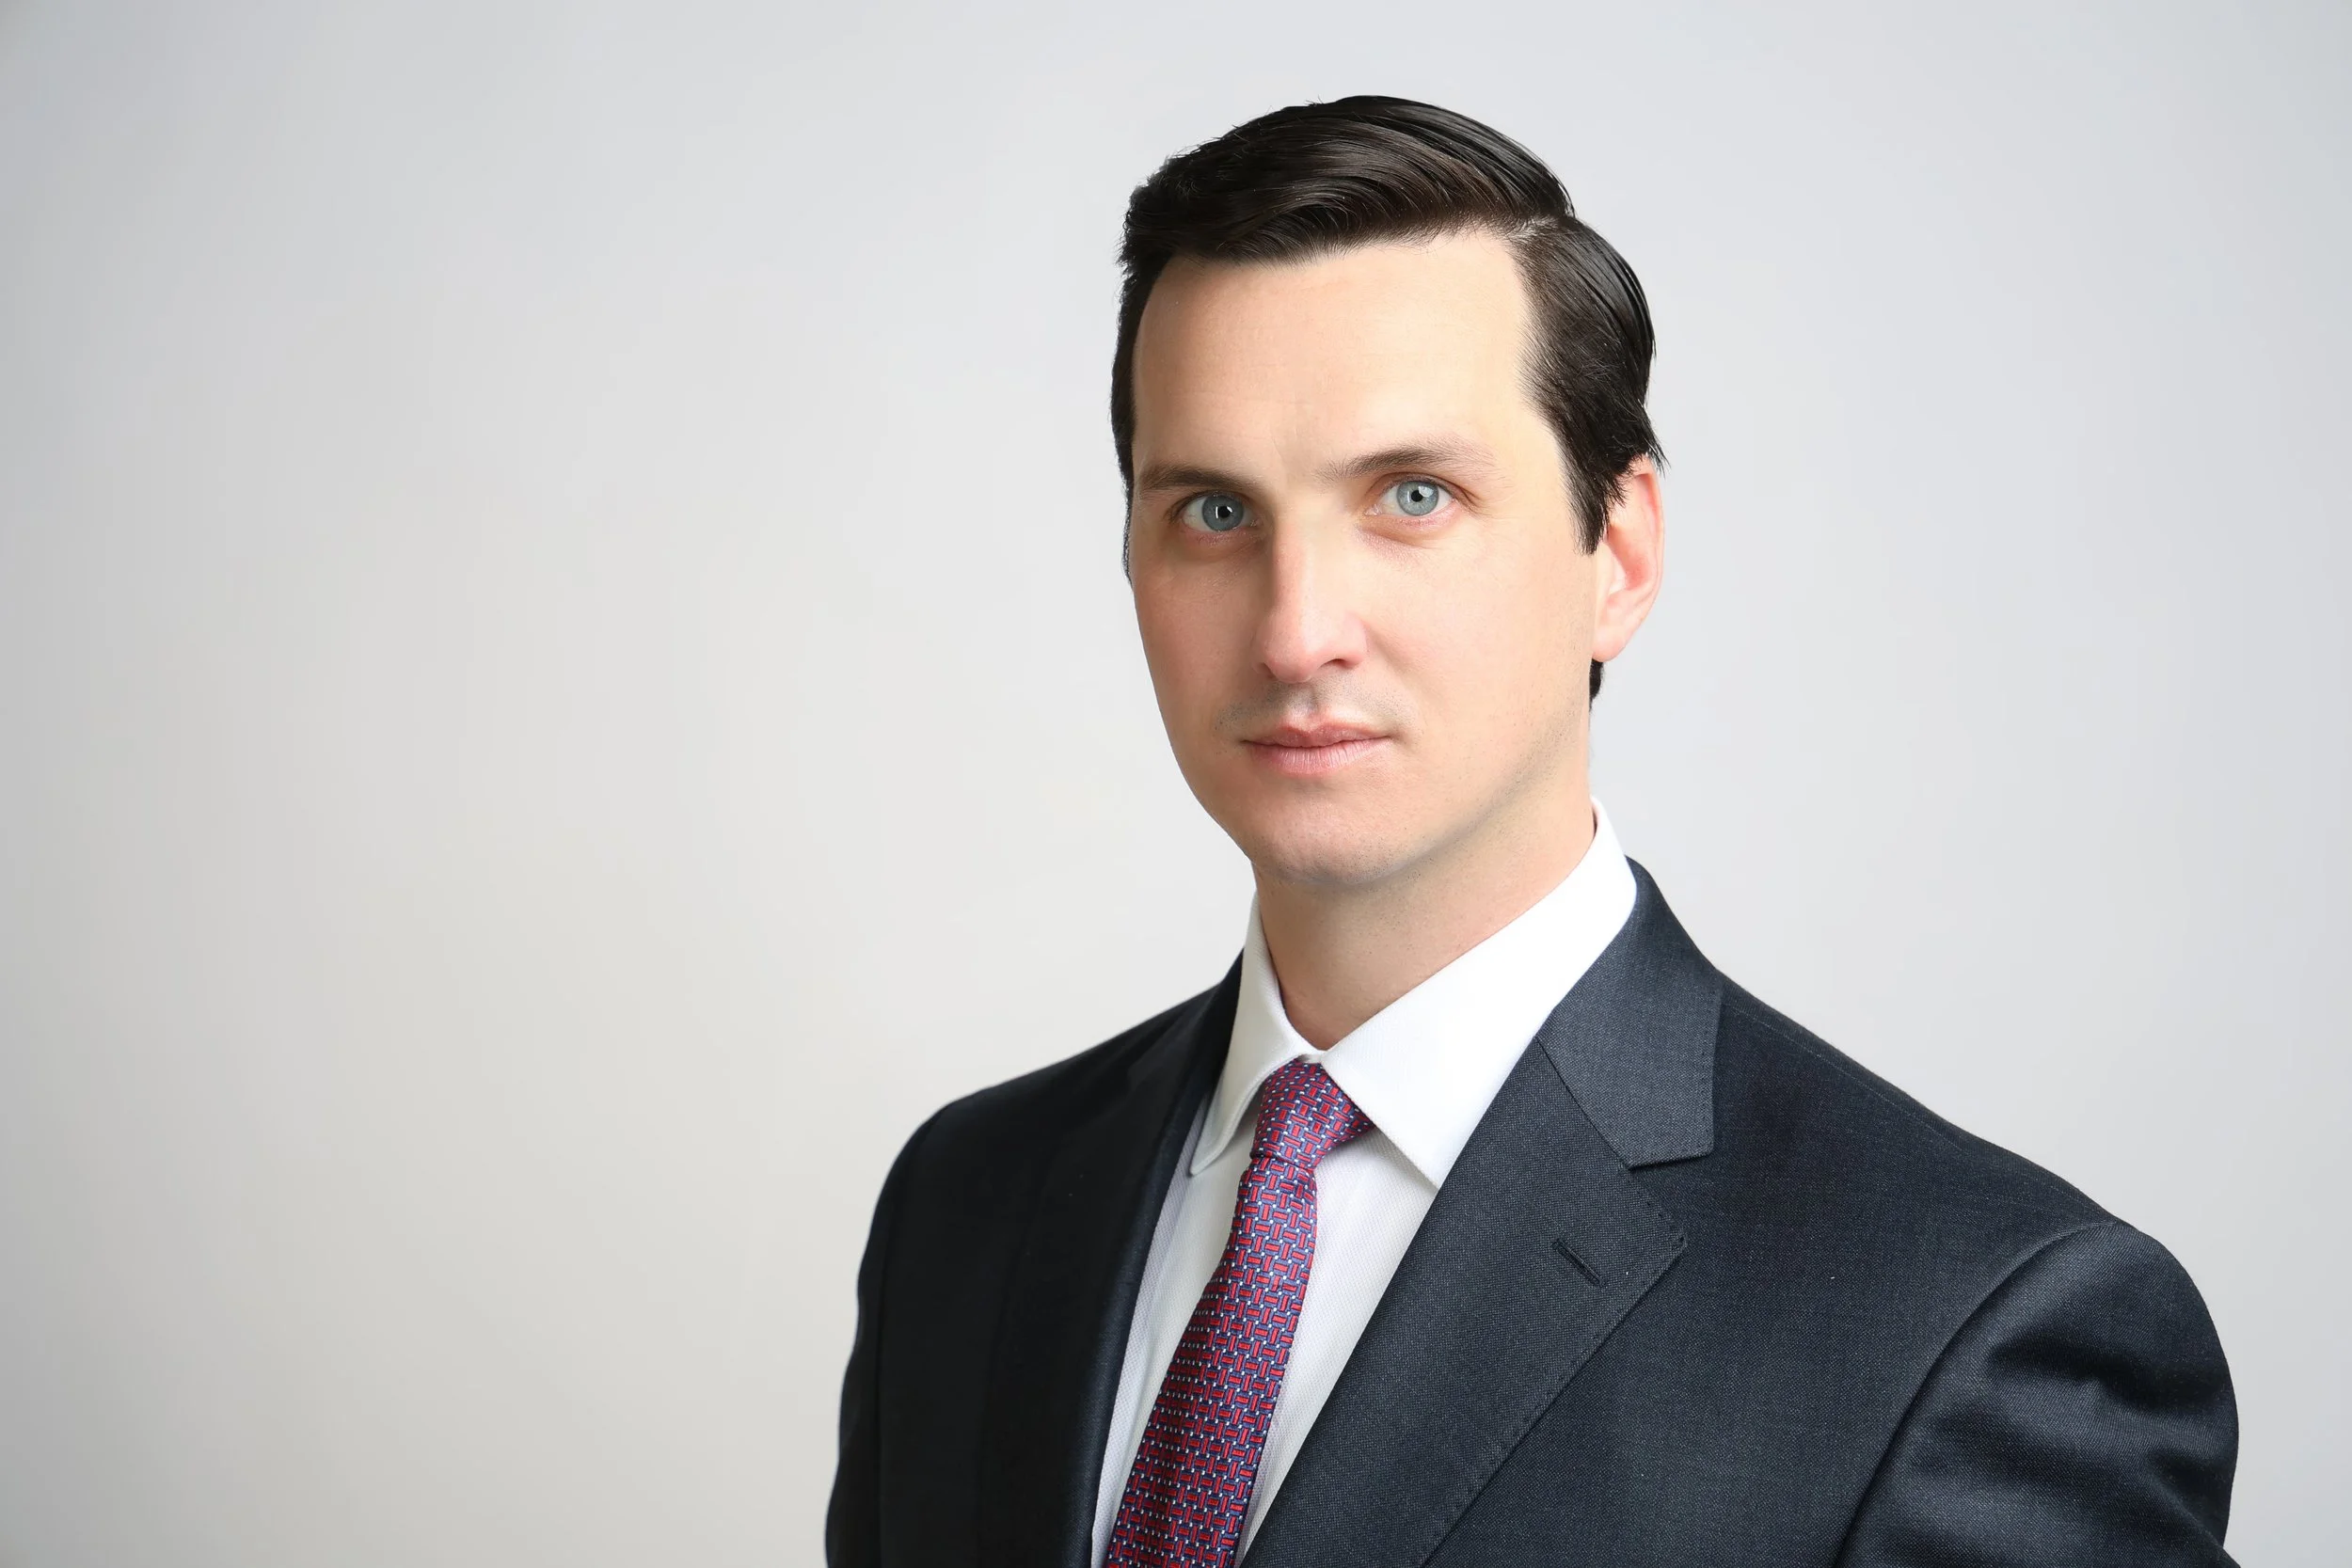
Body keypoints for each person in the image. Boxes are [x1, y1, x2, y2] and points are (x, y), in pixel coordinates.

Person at [824, 97, 2237, 1568]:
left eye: (1413, 497)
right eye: (1215, 512)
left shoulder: (1964, 1328)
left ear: (1617, 553)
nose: (1299, 630)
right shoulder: (969, 1206)